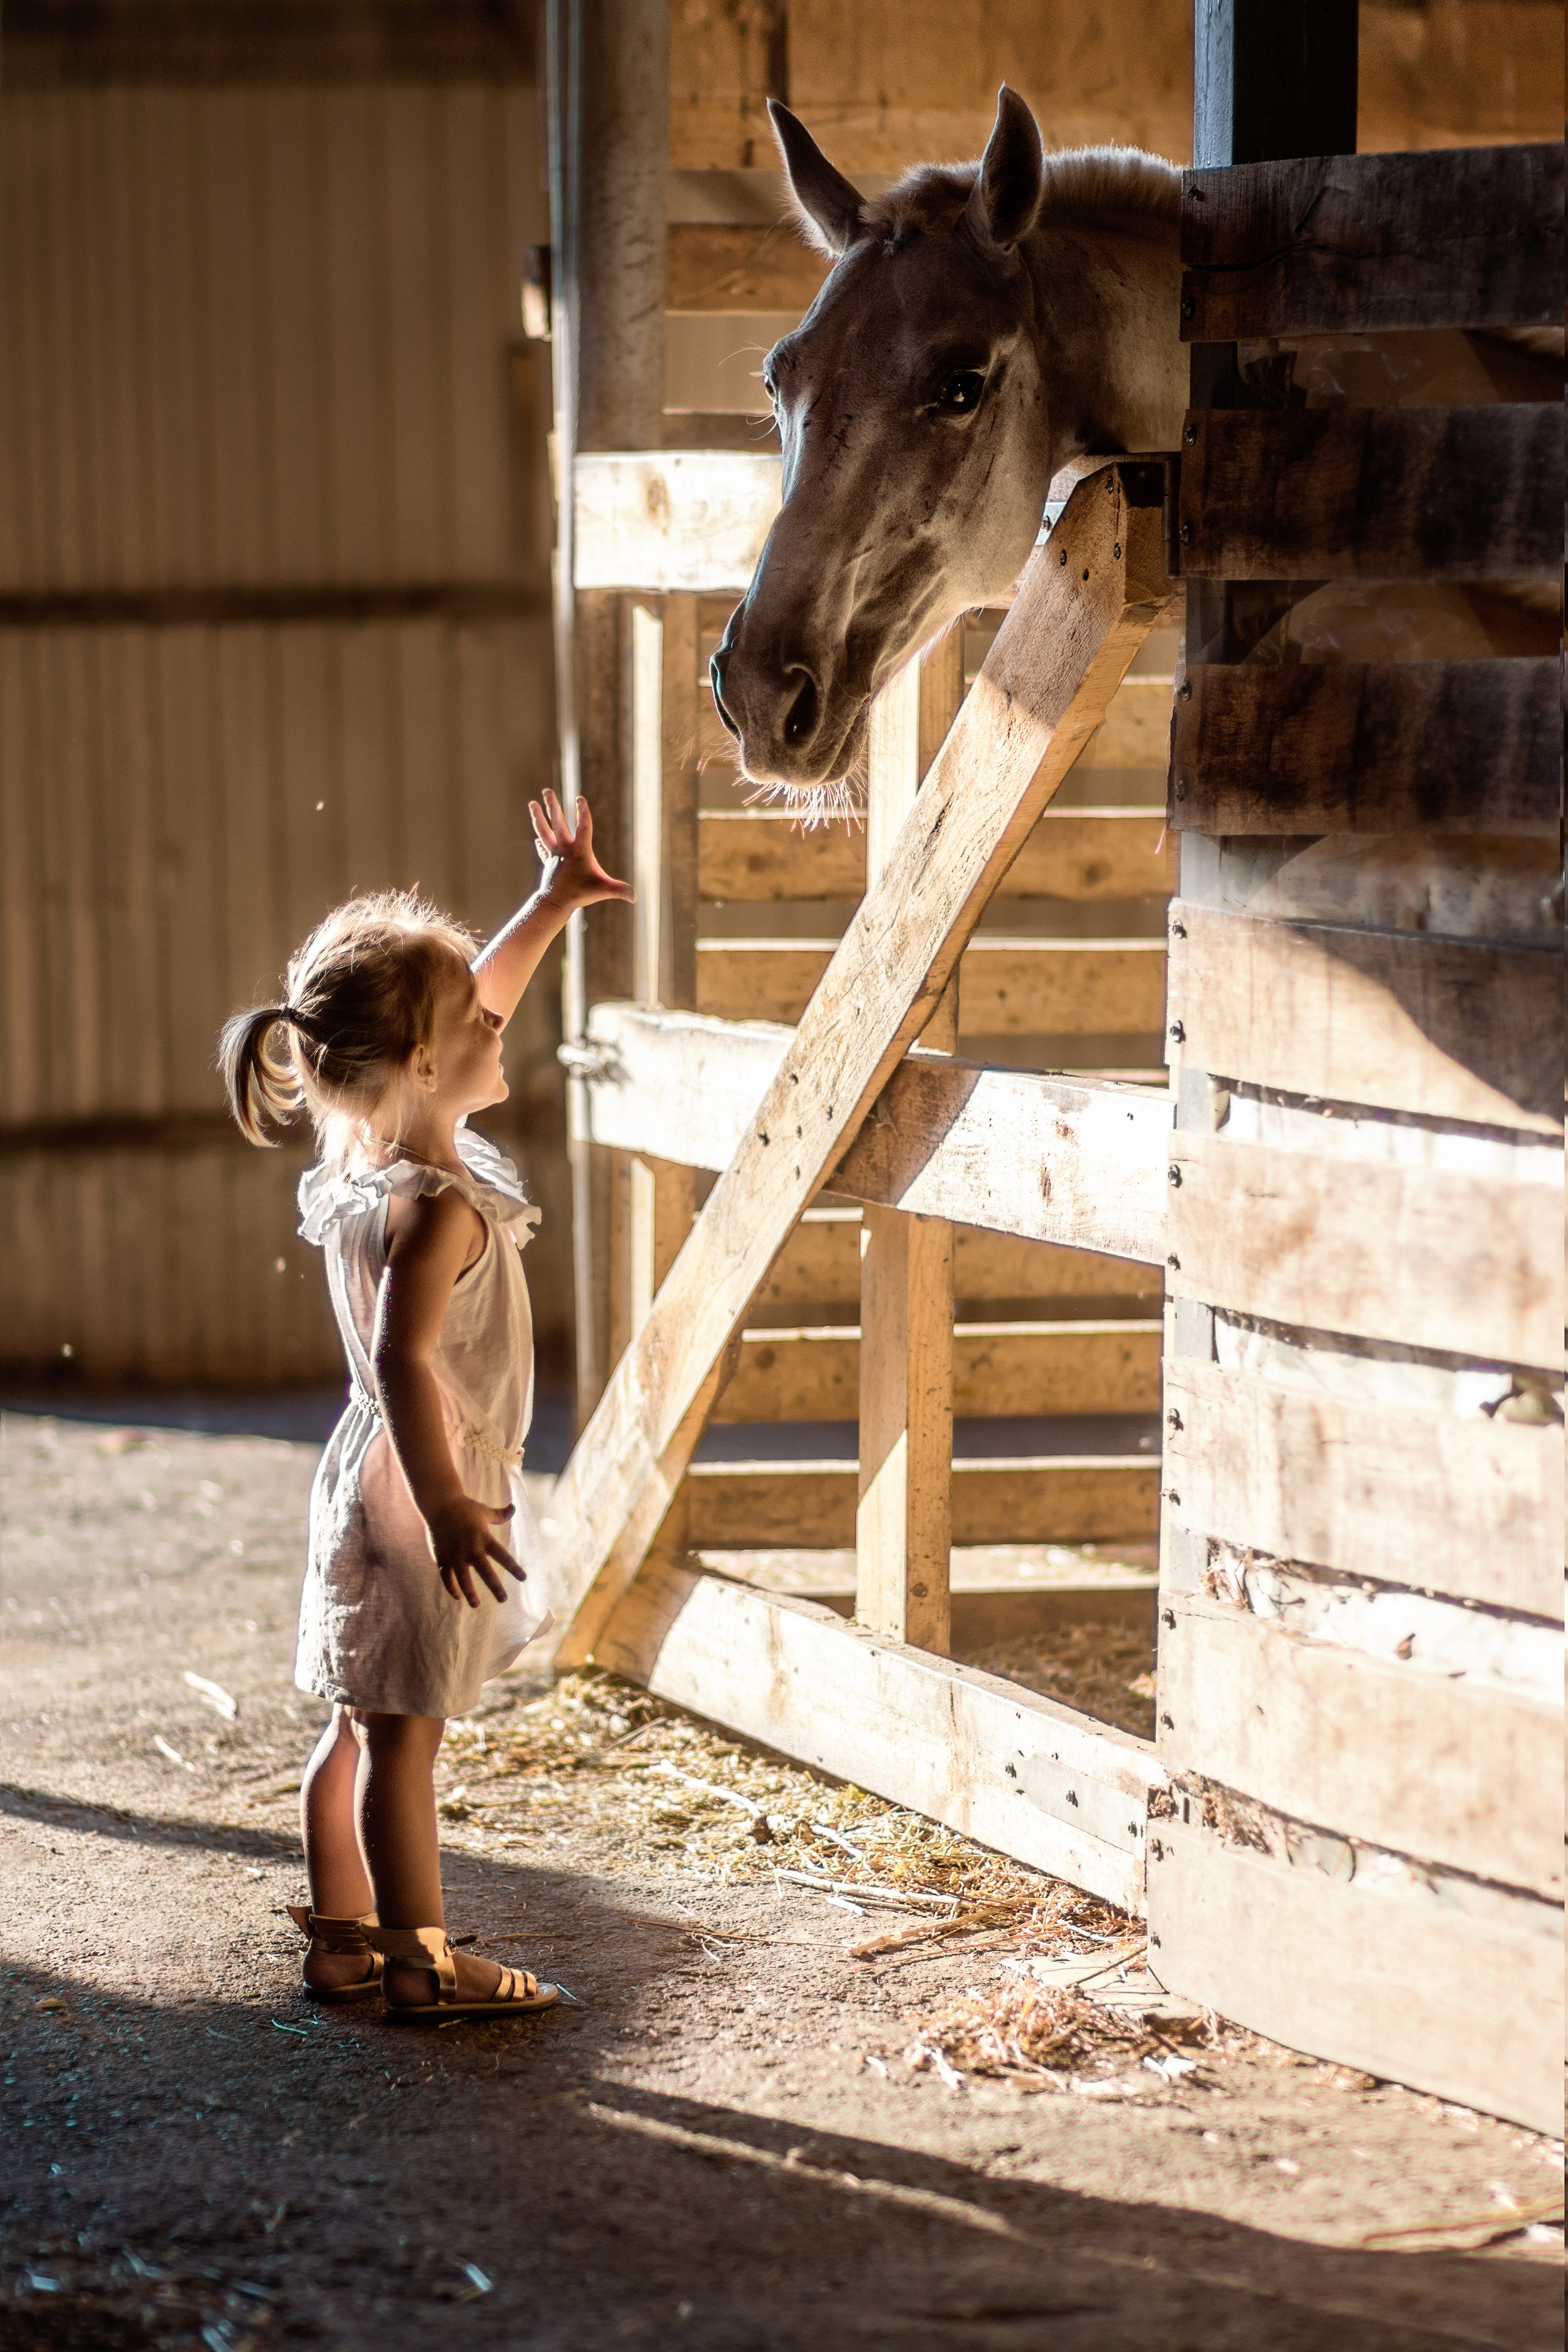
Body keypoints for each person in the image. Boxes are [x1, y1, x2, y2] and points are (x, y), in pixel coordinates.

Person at [219, 791, 630, 2022]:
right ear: (416, 1063)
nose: (497, 1021)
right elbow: (404, 1363)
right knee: (404, 1740)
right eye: (471, 1022)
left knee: (355, 1726)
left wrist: (551, 901)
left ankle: (342, 1942)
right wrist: (450, 1502)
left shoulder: (369, 1156)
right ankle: (422, 1966)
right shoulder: (439, 1202)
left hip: (365, 1479)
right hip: (417, 1487)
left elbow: (475, 994)